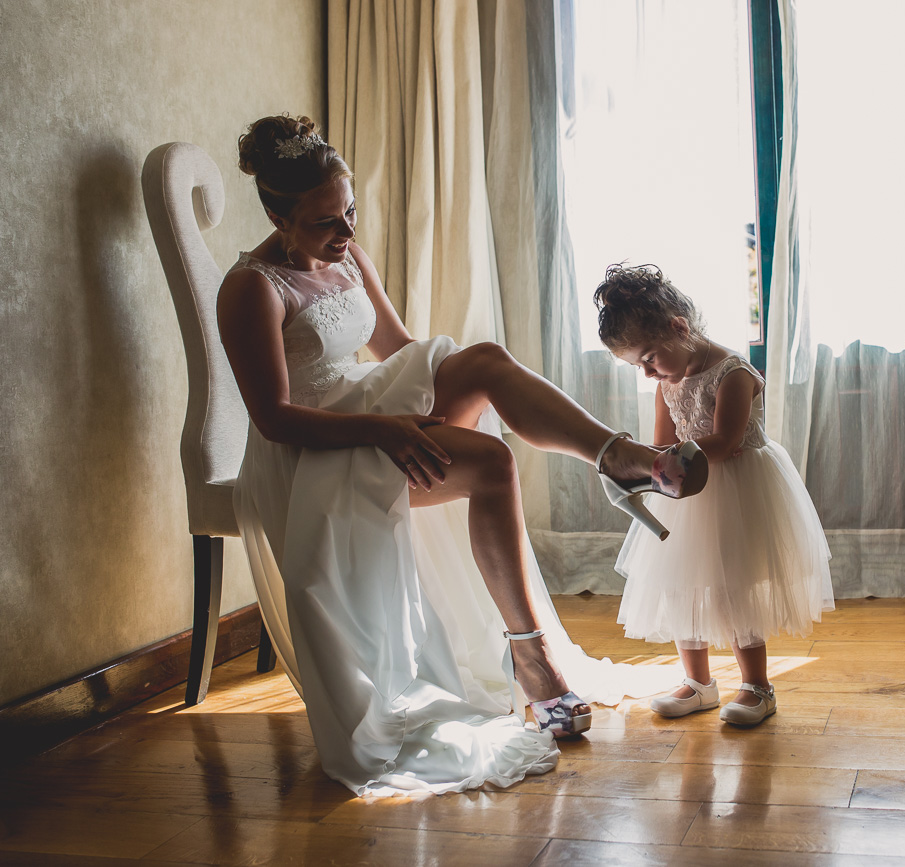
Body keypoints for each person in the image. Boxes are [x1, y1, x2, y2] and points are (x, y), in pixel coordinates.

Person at [217, 115, 705, 796]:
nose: (349, 234)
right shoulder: (252, 288)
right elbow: (271, 420)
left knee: (483, 361)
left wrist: (431, 401)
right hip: (315, 457)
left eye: (351, 212)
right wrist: (387, 428)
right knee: (492, 465)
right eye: (329, 222)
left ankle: (621, 456)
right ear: (279, 214)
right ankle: (533, 664)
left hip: (370, 412)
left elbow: (397, 350)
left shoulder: (348, 258)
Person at [594, 264, 834, 725]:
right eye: (637, 366)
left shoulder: (733, 372)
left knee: (732, 590)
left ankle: (757, 687)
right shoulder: (668, 381)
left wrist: (667, 457)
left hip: (736, 489)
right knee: (682, 586)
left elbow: (725, 442)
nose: (647, 374)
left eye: (648, 359)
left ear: (677, 328)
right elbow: (662, 441)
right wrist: (636, 461)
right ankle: (699, 684)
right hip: (686, 493)